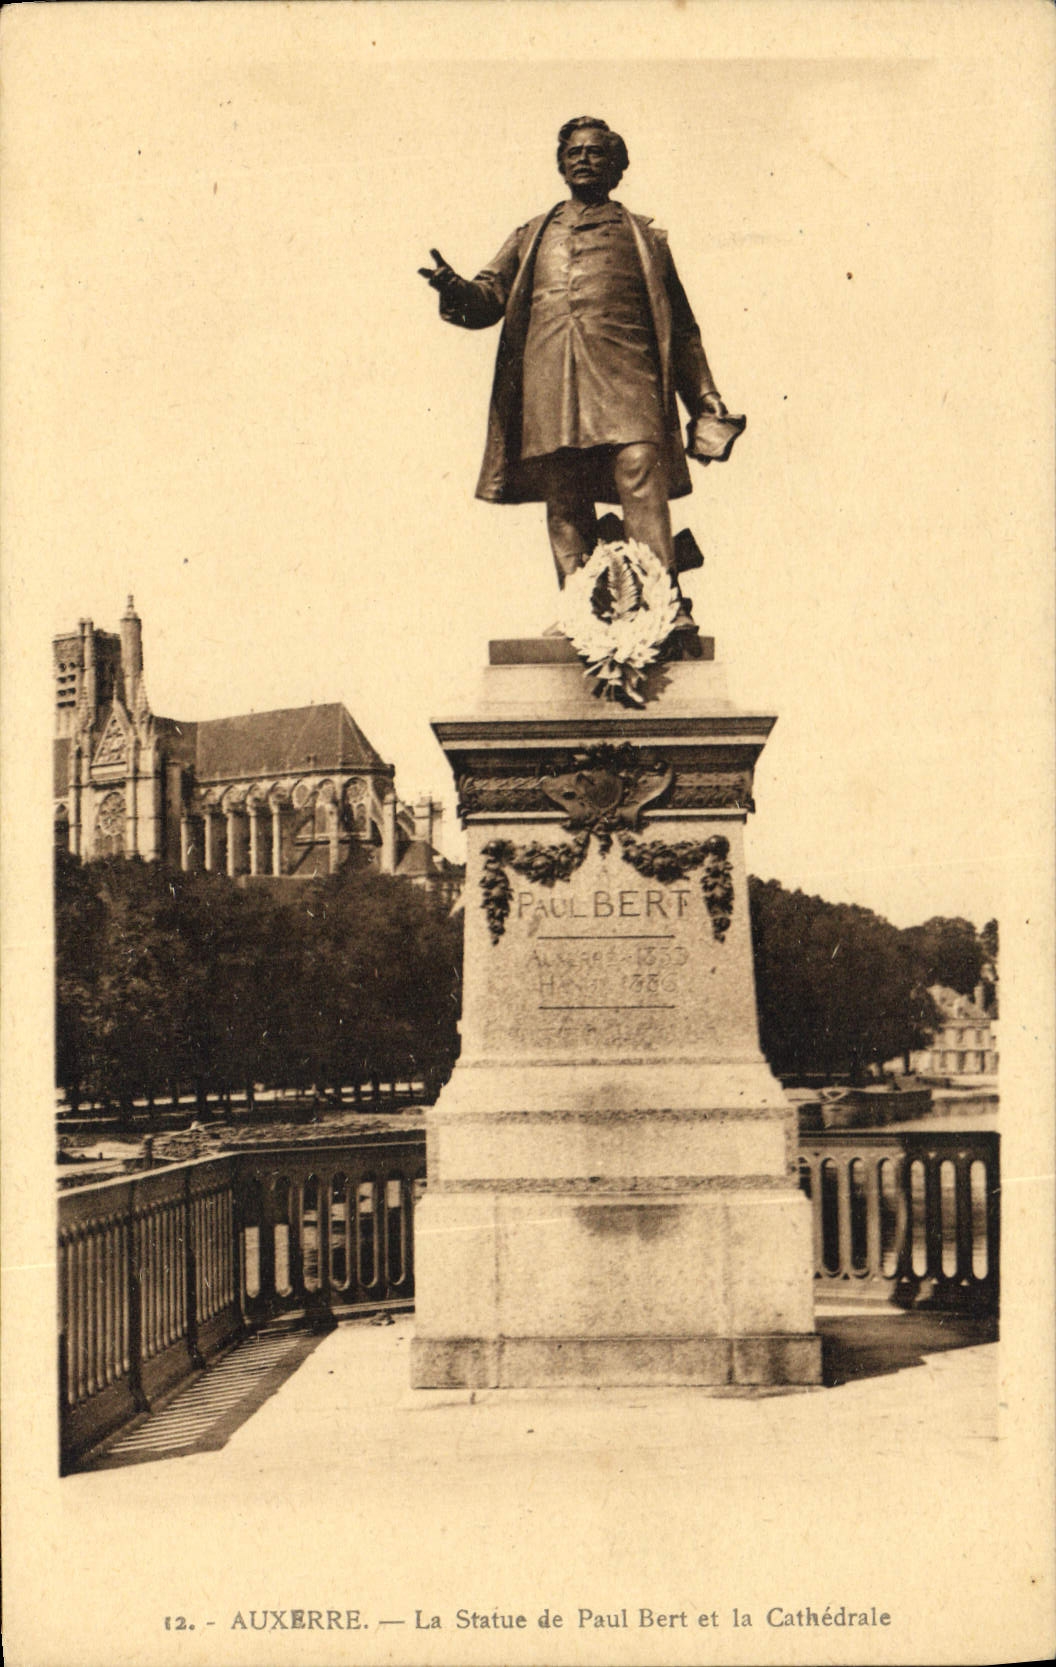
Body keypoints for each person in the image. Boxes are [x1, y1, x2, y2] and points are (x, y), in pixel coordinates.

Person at [419, 117, 739, 628]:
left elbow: (681, 329)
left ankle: (661, 600)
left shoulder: (647, 241)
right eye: (574, 153)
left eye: (595, 152)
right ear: (561, 163)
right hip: (550, 380)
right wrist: (452, 288)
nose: (583, 159)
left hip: (627, 375)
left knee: (638, 467)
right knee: (564, 488)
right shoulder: (531, 235)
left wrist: (705, 395)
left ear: (617, 165)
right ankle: (581, 609)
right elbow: (486, 302)